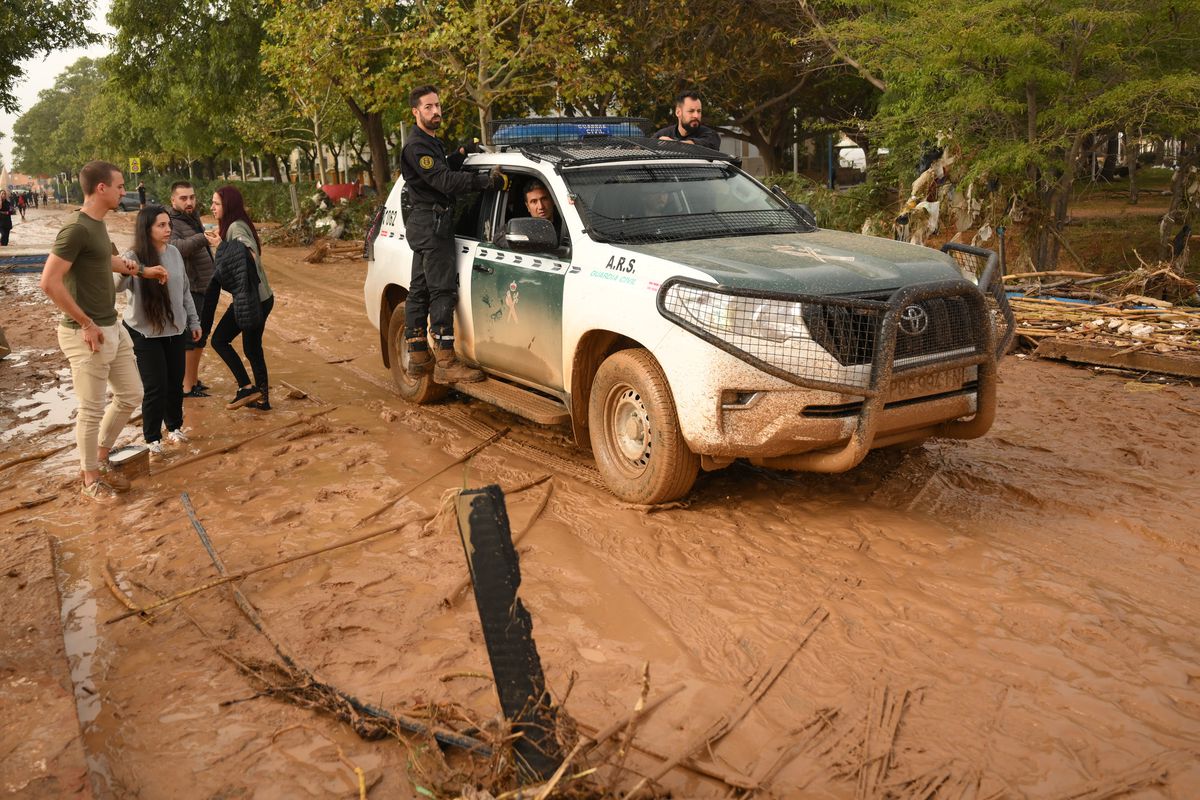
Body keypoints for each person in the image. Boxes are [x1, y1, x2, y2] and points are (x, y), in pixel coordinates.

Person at [39, 161, 167, 502]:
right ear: (101, 188)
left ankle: (100, 456)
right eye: (120, 186)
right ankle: (90, 479)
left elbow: (106, 261)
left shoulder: (97, 226)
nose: (124, 192)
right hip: (87, 333)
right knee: (91, 409)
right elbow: (49, 283)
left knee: (131, 393)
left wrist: (144, 271)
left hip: (111, 325)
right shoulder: (76, 229)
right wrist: (86, 323)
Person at [401, 84, 505, 384]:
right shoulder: (416, 146)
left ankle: (418, 357)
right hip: (431, 225)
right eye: (429, 107)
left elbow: (441, 168)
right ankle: (445, 360)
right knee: (441, 290)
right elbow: (442, 180)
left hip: (426, 223)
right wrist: (483, 180)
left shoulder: (429, 142)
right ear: (415, 112)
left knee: (419, 289)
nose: (436, 111)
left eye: (437, 105)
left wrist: (460, 154)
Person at [118, 205, 201, 457]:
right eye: (161, 225)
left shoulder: (174, 252)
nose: (168, 229)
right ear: (147, 228)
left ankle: (174, 427)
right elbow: (117, 287)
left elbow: (184, 291)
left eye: (168, 224)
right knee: (155, 386)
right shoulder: (133, 255)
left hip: (175, 328)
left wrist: (194, 322)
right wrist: (127, 268)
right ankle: (152, 438)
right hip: (144, 332)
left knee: (174, 382)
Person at [201, 186, 274, 411]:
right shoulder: (235, 225)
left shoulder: (235, 227)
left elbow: (249, 254)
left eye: (217, 203)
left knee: (219, 341)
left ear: (228, 205)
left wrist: (222, 246)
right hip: (261, 297)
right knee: (252, 348)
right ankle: (261, 397)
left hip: (252, 299)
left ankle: (247, 388)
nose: (212, 207)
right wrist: (221, 242)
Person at [168, 181, 216, 397]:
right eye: (184, 198)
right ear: (173, 200)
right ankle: (186, 387)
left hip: (205, 285)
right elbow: (176, 248)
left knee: (201, 335)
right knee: (192, 337)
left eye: (192, 197)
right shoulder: (171, 222)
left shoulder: (192, 218)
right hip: (191, 287)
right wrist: (202, 238)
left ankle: (193, 380)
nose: (189, 202)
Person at [653, 90, 721, 151]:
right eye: (691, 111)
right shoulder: (663, 134)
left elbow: (703, 146)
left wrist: (672, 144)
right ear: (678, 112)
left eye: (699, 111)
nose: (696, 115)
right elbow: (645, 147)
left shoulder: (711, 135)